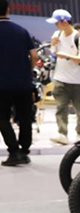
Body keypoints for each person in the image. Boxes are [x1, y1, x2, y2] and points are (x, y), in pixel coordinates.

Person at [0, 0, 37, 166]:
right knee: (25, 117)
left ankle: (13, 151)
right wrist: (27, 71)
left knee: (2, 117)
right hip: (23, 83)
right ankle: (24, 151)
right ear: (8, 9)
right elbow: (34, 55)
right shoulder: (22, 31)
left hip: (2, 84)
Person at [48, 9, 80, 145]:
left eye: (57, 23)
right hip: (60, 78)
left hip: (79, 80)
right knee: (61, 107)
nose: (56, 26)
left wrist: (66, 56)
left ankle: (79, 133)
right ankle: (62, 134)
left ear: (64, 22)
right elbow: (53, 54)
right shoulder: (57, 35)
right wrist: (53, 45)